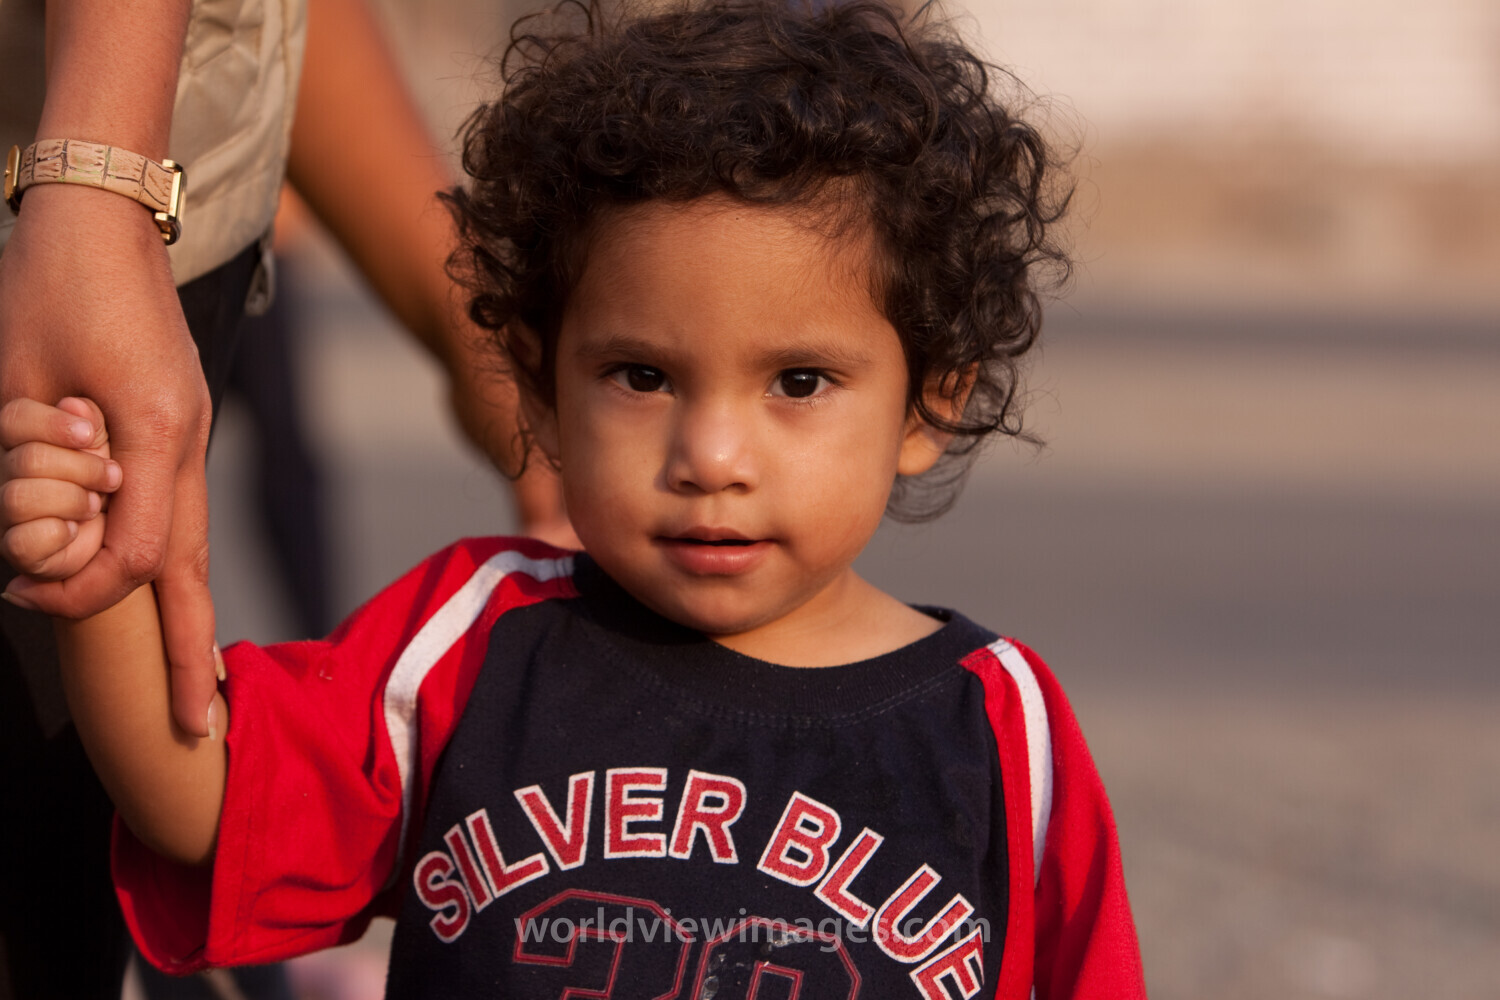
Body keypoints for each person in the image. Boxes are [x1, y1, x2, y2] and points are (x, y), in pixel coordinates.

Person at [0, 1, 1146, 996]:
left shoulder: (1002, 729)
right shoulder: (471, 640)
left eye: (799, 382)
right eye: (641, 376)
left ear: (926, 403)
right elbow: (198, 803)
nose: (709, 452)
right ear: (541, 390)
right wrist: (92, 564)